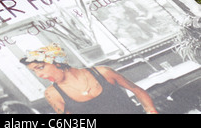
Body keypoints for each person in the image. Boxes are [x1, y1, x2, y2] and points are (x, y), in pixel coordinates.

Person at [20, 43, 158, 114]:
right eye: (34, 72)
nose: (39, 75)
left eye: (40, 68)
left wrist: (151, 111)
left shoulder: (103, 72)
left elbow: (138, 91)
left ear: (57, 61)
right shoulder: (52, 94)